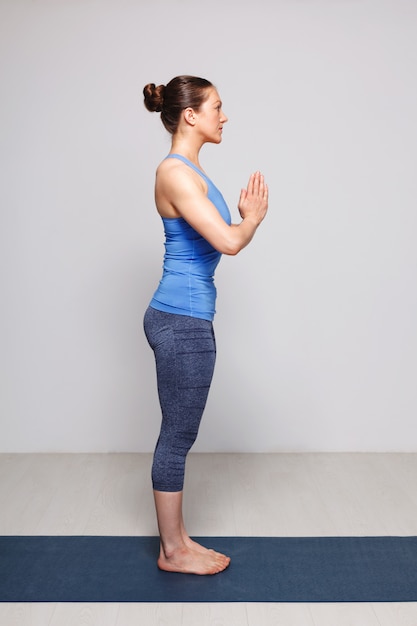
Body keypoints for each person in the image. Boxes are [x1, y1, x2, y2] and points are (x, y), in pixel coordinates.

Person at [143, 75, 268, 575]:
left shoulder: (192, 170)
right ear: (190, 114)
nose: (225, 115)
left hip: (189, 318)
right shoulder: (175, 173)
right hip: (180, 321)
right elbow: (229, 242)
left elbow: (221, 240)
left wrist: (243, 222)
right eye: (217, 106)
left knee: (179, 433)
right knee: (176, 436)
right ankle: (172, 551)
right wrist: (251, 219)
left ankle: (178, 539)